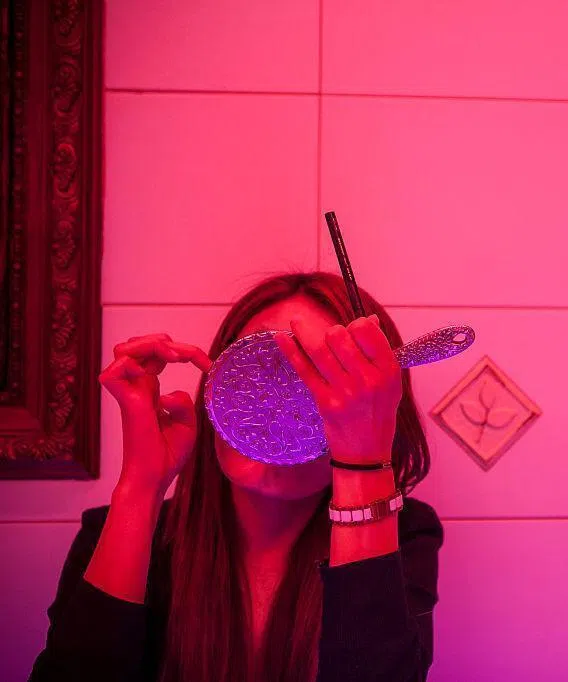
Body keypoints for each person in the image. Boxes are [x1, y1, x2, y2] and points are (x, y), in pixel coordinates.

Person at [28, 272, 443, 682]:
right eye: (260, 365)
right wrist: (140, 486)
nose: (278, 405)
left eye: (324, 376)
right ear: (215, 379)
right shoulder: (117, 533)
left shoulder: (404, 534)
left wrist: (364, 464)